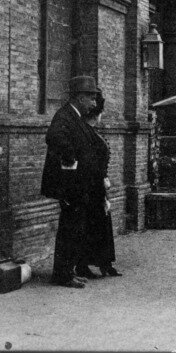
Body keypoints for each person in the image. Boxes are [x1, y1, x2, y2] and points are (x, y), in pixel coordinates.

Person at [41, 76, 101, 288]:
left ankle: (68, 271)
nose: (94, 104)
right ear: (79, 98)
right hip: (70, 186)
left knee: (74, 229)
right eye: (91, 98)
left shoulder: (74, 117)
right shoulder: (64, 116)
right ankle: (62, 275)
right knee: (69, 229)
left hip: (77, 185)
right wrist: (71, 158)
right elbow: (54, 137)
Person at [76, 91, 121, 279]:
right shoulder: (89, 134)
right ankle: (89, 264)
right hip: (93, 186)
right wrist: (102, 179)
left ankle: (103, 263)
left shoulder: (91, 133)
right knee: (93, 225)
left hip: (97, 185)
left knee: (99, 224)